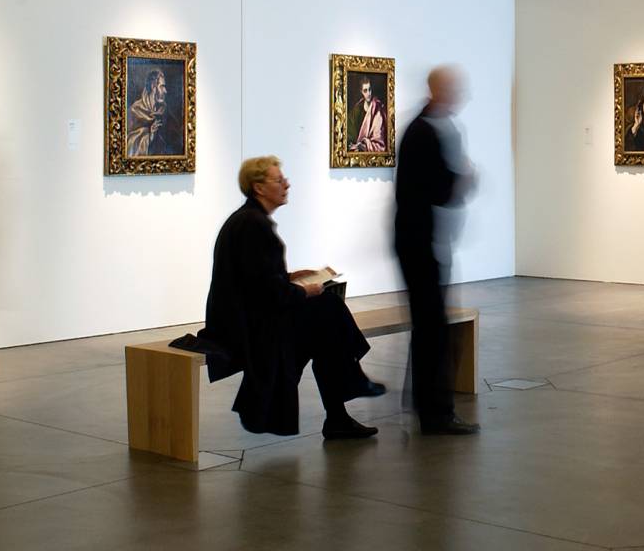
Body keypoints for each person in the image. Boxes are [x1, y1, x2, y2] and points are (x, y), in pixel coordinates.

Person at [197, 156, 383, 440]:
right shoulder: (253, 224)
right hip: (244, 327)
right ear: (259, 188)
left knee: (326, 328)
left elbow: (256, 279)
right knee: (328, 308)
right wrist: (304, 290)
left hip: (248, 317)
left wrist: (291, 276)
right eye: (279, 180)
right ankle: (347, 390)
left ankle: (338, 414)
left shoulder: (249, 220)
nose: (287, 184)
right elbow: (264, 292)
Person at [394, 66, 479, 435]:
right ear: (439, 90)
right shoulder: (424, 132)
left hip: (422, 241)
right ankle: (435, 414)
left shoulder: (429, 127)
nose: (461, 95)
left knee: (430, 325)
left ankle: (427, 406)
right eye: (456, 88)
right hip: (419, 244)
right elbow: (439, 190)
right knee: (431, 327)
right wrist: (464, 178)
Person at [126, 69, 168, 156]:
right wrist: (149, 136)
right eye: (162, 86)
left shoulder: (164, 112)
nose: (165, 91)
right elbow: (127, 143)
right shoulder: (135, 110)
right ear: (153, 87)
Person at [348, 77, 386, 152]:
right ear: (361, 92)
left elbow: (379, 138)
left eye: (369, 90)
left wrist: (365, 145)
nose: (368, 93)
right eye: (365, 91)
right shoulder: (357, 109)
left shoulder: (378, 110)